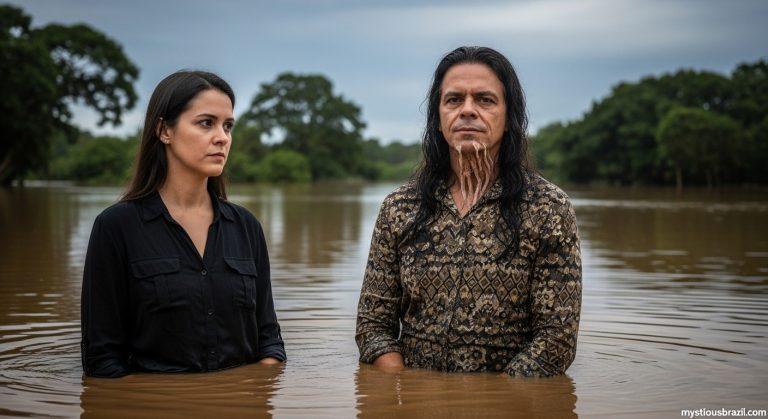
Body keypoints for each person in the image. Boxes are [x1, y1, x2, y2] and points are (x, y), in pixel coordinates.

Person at [355, 46, 582, 377]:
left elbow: (555, 343)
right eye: (454, 100)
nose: (468, 111)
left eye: (485, 100)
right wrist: (403, 392)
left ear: (509, 119)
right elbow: (373, 327)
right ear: (438, 119)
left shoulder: (548, 208)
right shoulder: (399, 208)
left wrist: (484, 404)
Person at [81, 71, 285, 378]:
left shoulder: (246, 227)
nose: (222, 137)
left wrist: (250, 392)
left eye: (227, 126)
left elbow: (269, 341)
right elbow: (102, 359)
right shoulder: (116, 227)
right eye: (206, 123)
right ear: (164, 130)